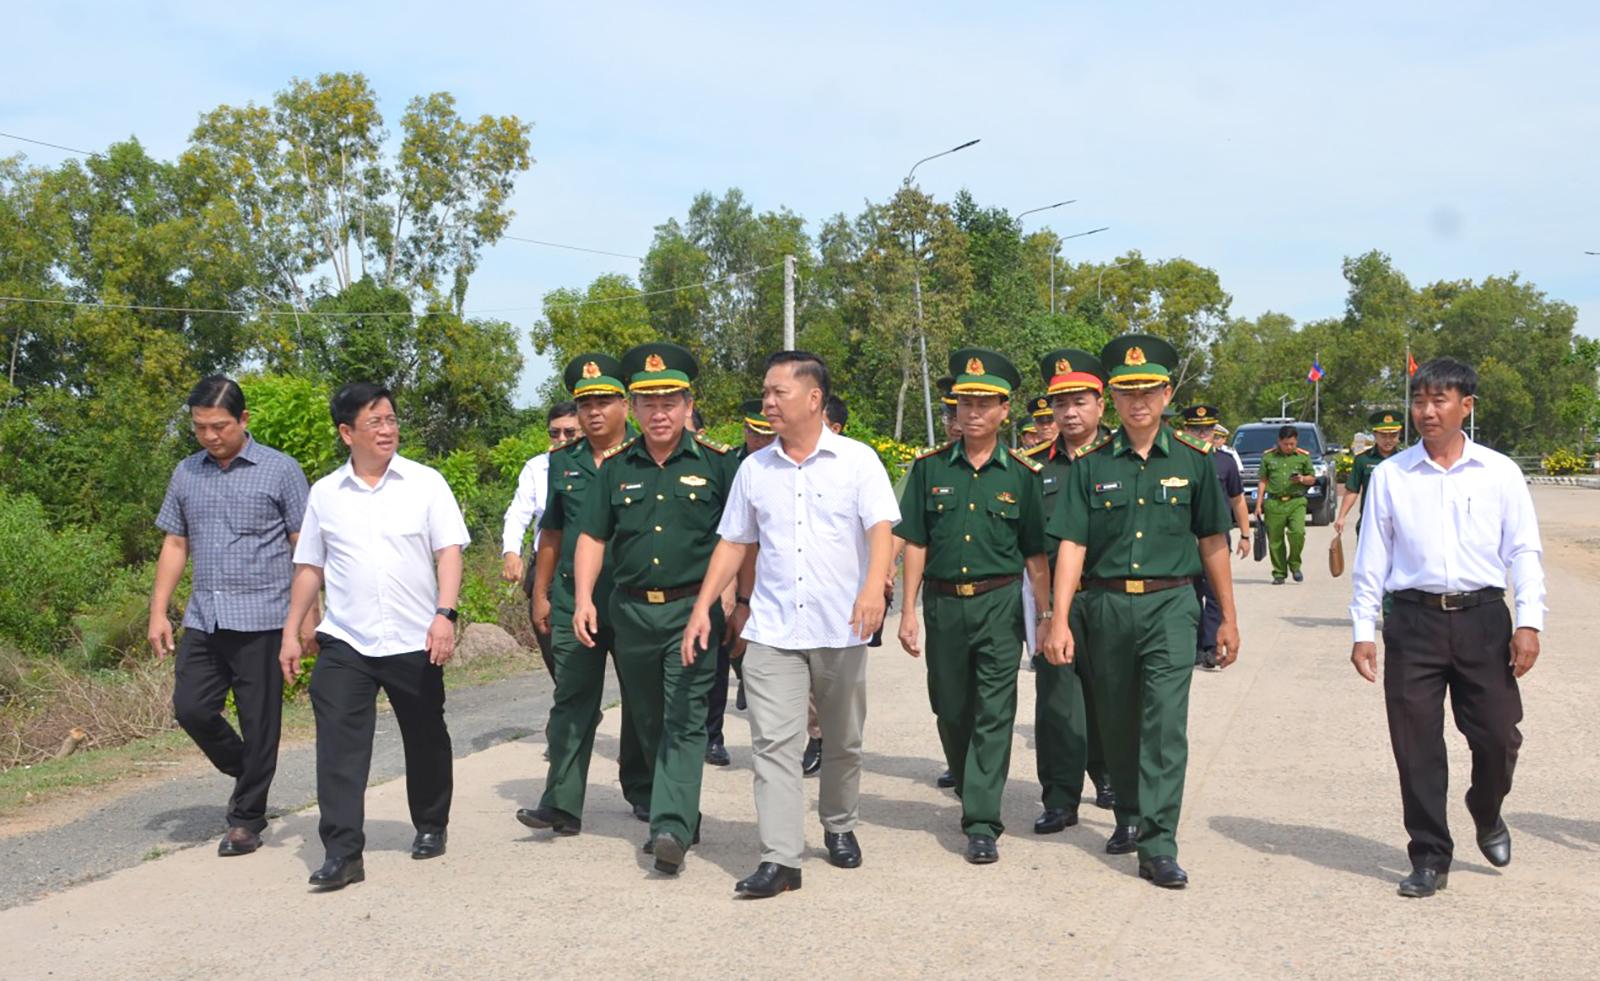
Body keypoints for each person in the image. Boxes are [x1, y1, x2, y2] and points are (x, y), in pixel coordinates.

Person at [684, 351, 899, 898]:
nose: (767, 402)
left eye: (778, 392)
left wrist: (874, 587)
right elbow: (734, 542)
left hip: (839, 629)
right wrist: (703, 607)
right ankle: (781, 859)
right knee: (774, 745)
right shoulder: (754, 470)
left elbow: (880, 529)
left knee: (844, 742)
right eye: (765, 392)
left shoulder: (857, 460)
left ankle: (839, 822)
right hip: (773, 632)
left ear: (814, 398)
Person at [1041, 334, 1239, 889]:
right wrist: (1058, 619)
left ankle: (1158, 843)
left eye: (1148, 389)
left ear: (1166, 392)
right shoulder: (1091, 466)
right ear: (1113, 398)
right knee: (1117, 721)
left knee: (1165, 726)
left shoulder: (1198, 463)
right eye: (1126, 392)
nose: (1138, 402)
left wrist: (1228, 615)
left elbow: (1212, 543)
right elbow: (1073, 545)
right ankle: (1129, 814)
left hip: (1171, 604)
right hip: (1104, 607)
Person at [1350, 357, 1545, 899]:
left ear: (1467, 406)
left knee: (1499, 735)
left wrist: (1528, 621)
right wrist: (1364, 627)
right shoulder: (1391, 475)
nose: (1426, 412)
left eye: (1439, 400)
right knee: (1416, 747)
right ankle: (1430, 855)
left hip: (1484, 620)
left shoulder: (1499, 472)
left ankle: (1486, 808)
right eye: (1419, 401)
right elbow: (1373, 557)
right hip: (1412, 622)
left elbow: (1524, 550)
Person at [280, 382, 470, 890]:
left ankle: (431, 823)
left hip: (415, 637)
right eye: (375, 422)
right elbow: (309, 566)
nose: (387, 430)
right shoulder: (325, 494)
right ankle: (343, 852)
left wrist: (444, 614)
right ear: (347, 433)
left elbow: (449, 552)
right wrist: (293, 630)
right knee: (339, 748)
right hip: (346, 640)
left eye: (390, 419)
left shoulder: (425, 483)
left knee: (426, 735)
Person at [573, 342, 739, 876]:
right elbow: (593, 537)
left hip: (694, 611)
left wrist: (735, 604)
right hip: (632, 615)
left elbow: (739, 540)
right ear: (635, 409)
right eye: (649, 402)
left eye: (670, 401)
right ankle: (675, 810)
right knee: (647, 717)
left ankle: (670, 825)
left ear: (689, 405)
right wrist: (581, 599)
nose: (660, 412)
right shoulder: (617, 468)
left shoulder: (718, 465)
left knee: (685, 719)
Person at [147, 375, 313, 858]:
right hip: (206, 615)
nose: (210, 436)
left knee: (262, 722)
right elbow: (176, 543)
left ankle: (246, 819)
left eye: (219, 426)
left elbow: (303, 546)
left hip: (263, 615)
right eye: (200, 428)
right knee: (191, 708)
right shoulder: (187, 472)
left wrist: (306, 619)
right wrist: (159, 611)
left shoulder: (280, 470)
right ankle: (249, 767)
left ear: (244, 420)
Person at [896, 348, 1050, 865]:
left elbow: (1035, 555)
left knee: (994, 711)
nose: (973, 412)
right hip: (943, 607)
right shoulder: (929, 469)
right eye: (964, 402)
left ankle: (982, 820)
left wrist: (1047, 617)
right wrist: (908, 611)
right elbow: (914, 541)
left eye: (984, 403)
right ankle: (969, 781)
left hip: (999, 606)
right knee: (951, 707)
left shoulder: (1023, 476)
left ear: (1005, 410)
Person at [515, 355, 652, 836]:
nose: (593, 413)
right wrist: (541, 595)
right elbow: (551, 533)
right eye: (585, 404)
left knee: (640, 699)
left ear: (624, 406)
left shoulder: (645, 456)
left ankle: (644, 789)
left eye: (603, 402)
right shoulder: (562, 463)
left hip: (633, 599)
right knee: (571, 698)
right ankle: (562, 802)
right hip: (574, 599)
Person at [1020, 350, 1128, 841]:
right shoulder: (1031, 468)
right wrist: (1045, 611)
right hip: (1051, 598)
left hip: (1108, 597)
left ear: (1100, 405)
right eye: (1060, 403)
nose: (1069, 413)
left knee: (1111, 697)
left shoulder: (1121, 461)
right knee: (1058, 701)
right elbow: (1028, 544)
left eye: (1079, 402)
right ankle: (1060, 799)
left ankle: (1107, 775)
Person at [705, 399, 775, 767]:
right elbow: (730, 535)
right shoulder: (727, 464)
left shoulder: (783, 463)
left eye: (768, 434)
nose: (760, 441)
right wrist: (730, 586)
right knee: (724, 645)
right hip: (737, 566)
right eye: (754, 433)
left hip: (776, 568)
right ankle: (712, 736)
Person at [502, 403, 581, 679]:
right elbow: (518, 514)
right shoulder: (537, 468)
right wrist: (511, 552)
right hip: (548, 567)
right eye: (555, 433)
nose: (561, 440)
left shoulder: (601, 463)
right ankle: (572, 709)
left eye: (570, 433)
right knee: (553, 647)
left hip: (590, 565)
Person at [1181, 405, 1252, 669]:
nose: (1202, 435)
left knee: (1213, 592)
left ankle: (1210, 646)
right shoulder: (1177, 459)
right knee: (1189, 591)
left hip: (1216, 535)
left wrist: (1245, 534)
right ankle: (1193, 645)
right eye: (1196, 430)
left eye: (1207, 430)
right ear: (1186, 430)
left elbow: (1237, 500)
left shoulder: (1224, 461)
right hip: (1184, 537)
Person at [1255, 424, 1315, 585]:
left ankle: (1295, 564)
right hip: (1274, 503)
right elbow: (1262, 481)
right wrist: (1258, 504)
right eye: (1286, 444)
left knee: (1297, 533)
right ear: (1279, 441)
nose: (1289, 447)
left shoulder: (1303, 457)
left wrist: (1302, 479)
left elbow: (1312, 478)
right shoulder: (1268, 457)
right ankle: (1279, 573)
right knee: (1275, 540)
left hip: (1296, 501)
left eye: (1292, 444)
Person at [1336, 410, 1404, 537]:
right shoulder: (1363, 460)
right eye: (1383, 436)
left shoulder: (1405, 459)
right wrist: (1341, 516)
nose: (1388, 440)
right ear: (1375, 435)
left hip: (1399, 524)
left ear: (1399, 434)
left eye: (1393, 435)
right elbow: (1352, 490)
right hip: (1370, 522)